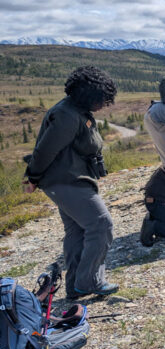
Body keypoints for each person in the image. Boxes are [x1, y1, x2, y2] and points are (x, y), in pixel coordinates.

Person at [22, 66, 119, 298]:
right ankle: (89, 281)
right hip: (65, 182)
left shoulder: (77, 110)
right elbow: (45, 150)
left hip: (71, 181)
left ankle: (75, 286)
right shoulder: (66, 115)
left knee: (77, 230)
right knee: (101, 225)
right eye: (102, 99)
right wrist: (32, 177)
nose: (104, 104)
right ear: (89, 94)